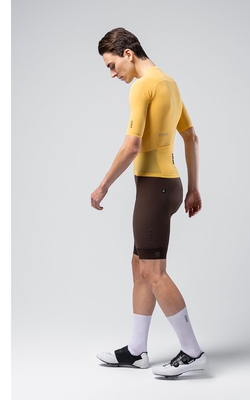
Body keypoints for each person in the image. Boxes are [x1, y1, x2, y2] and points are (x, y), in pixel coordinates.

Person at [91, 27, 206, 378]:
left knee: (153, 273)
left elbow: (132, 145)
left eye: (112, 65)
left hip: (154, 189)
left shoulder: (143, 86)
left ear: (128, 53)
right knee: (139, 265)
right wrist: (193, 189)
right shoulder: (169, 83)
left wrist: (103, 186)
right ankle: (136, 350)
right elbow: (191, 137)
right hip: (169, 186)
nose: (113, 74)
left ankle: (192, 351)